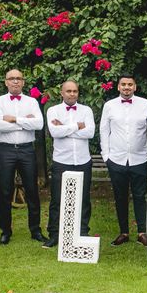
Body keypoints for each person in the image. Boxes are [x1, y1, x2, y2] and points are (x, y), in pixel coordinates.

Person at [0, 69, 47, 245]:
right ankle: (5, 231)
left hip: (26, 150)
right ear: (6, 82)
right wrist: (25, 121)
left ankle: (35, 230)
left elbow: (38, 124)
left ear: (23, 82)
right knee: (5, 191)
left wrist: (13, 119)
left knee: (32, 190)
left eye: (18, 79)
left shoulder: (31, 101)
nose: (15, 81)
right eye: (11, 79)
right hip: (6, 150)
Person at [100, 74, 147, 247]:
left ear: (135, 87)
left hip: (140, 158)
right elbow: (103, 131)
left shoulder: (146, 104)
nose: (127, 87)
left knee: (139, 196)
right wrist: (106, 156)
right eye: (123, 84)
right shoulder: (109, 106)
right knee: (120, 196)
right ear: (118, 87)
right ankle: (123, 232)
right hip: (116, 159)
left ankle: (142, 232)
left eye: (130, 84)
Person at [44, 81, 95, 248]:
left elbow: (90, 132)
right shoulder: (53, 110)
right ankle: (54, 234)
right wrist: (77, 126)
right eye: (68, 91)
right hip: (61, 161)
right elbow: (55, 133)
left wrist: (65, 128)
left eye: (75, 91)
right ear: (62, 92)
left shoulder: (86, 110)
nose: (72, 94)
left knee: (84, 199)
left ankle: (82, 232)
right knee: (57, 199)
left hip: (82, 160)